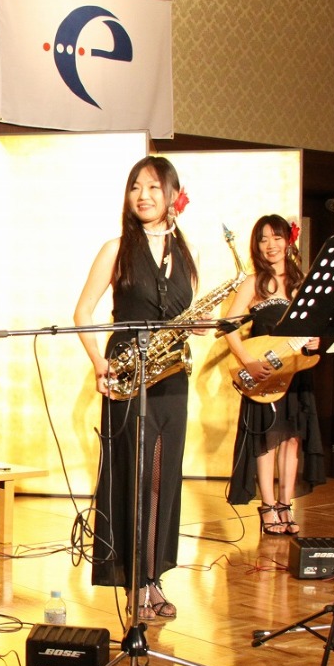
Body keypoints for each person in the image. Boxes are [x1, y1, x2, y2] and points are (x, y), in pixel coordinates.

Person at [73, 156, 199, 623]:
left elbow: (185, 313)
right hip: (128, 371)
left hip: (173, 374)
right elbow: (82, 312)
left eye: (153, 187)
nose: (143, 196)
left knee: (164, 479)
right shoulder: (116, 249)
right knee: (134, 475)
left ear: (173, 195)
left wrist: (199, 325)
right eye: (135, 187)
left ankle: (154, 577)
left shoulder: (188, 252)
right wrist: (99, 363)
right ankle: (133, 581)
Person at [220, 214, 327, 534]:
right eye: (263, 239)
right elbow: (227, 327)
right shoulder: (253, 283)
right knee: (267, 439)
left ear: (288, 241)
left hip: (295, 370)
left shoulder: (302, 282)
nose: (271, 245)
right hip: (264, 372)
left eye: (277, 237)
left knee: (292, 440)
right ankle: (267, 507)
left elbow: (313, 327)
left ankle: (285, 505)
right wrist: (248, 362)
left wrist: (316, 340)